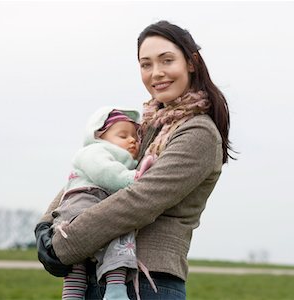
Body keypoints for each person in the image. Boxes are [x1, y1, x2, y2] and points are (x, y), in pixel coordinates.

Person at [35, 20, 234, 300]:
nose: (157, 73)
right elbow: (93, 168)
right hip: (99, 275)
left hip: (147, 282)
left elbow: (140, 200)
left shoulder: (198, 132)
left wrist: (65, 245)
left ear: (191, 62)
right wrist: (45, 225)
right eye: (146, 64)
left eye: (167, 60)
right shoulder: (147, 126)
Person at [50, 107, 153, 300]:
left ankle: (113, 289)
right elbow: (106, 173)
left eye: (135, 137)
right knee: (96, 240)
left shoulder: (125, 160)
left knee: (113, 240)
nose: (132, 140)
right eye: (123, 135)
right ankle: (85, 292)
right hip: (84, 199)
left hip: (99, 200)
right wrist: (134, 178)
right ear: (98, 136)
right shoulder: (93, 151)